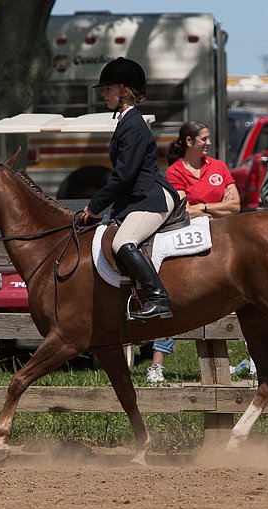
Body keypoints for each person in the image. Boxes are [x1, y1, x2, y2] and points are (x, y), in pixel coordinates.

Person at [82, 57, 180, 321]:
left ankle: (158, 298)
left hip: (152, 198)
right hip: (139, 198)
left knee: (122, 242)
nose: (104, 94)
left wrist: (94, 206)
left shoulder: (133, 125)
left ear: (124, 91)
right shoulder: (126, 122)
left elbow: (124, 175)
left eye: (108, 89)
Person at [146, 120, 240, 383]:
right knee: (177, 293)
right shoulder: (174, 172)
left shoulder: (219, 167)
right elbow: (183, 209)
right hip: (188, 237)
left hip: (221, 234)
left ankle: (229, 363)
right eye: (204, 139)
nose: (208, 143)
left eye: (208, 138)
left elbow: (235, 205)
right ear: (189, 142)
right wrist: (214, 205)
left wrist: (205, 208)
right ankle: (157, 363)